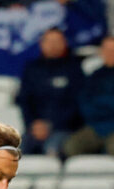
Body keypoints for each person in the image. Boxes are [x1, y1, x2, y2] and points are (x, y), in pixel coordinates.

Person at [63, 35, 114, 160]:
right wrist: (110, 103)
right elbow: (85, 104)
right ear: (101, 52)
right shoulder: (95, 75)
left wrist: (100, 102)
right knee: (71, 146)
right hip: (96, 126)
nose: (110, 54)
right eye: (107, 50)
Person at [16, 27, 83, 156]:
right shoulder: (32, 69)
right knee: (17, 151)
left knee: (52, 149)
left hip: (64, 128)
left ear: (64, 43)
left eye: (57, 41)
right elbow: (25, 101)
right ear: (42, 44)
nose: (53, 45)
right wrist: (33, 124)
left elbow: (76, 104)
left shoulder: (74, 69)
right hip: (35, 129)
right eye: (49, 41)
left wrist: (51, 125)